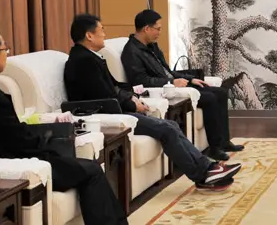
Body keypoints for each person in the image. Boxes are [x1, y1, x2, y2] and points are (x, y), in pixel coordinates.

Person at [0, 26, 128, 223]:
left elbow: (8, 131)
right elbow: (18, 139)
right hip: (9, 161)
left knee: (82, 163)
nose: (6, 54)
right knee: (91, 170)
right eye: (4, 49)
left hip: (3, 152)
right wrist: (48, 143)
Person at [63, 14, 241, 191]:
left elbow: (114, 87)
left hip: (114, 109)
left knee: (171, 125)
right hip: (107, 115)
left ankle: (207, 170)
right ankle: (205, 173)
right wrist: (132, 104)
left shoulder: (90, 57)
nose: (104, 34)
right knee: (167, 129)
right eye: (101, 30)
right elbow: (104, 96)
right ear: (89, 35)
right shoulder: (84, 61)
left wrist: (133, 97)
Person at [120, 9, 243, 161]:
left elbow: (167, 71)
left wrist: (190, 79)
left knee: (221, 92)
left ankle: (224, 142)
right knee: (210, 98)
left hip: (174, 84)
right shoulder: (131, 52)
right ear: (146, 28)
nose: (159, 32)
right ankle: (215, 147)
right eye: (158, 29)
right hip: (163, 90)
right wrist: (171, 82)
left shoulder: (152, 46)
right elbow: (141, 81)